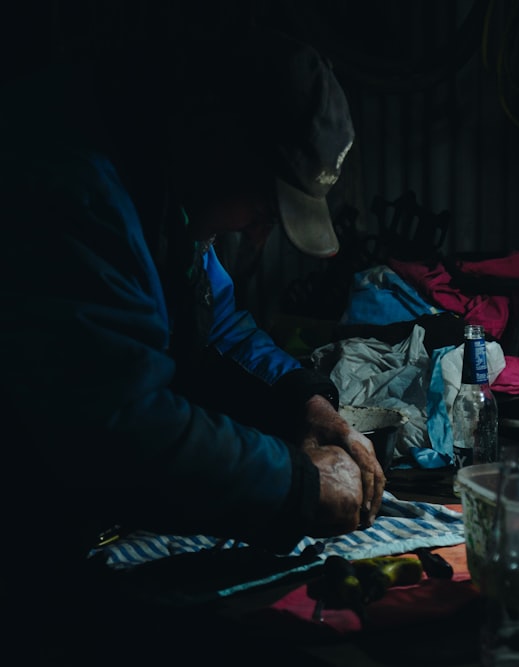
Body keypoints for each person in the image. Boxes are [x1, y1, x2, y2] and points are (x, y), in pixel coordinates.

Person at [0, 26, 384, 661]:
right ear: (218, 139)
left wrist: (308, 405)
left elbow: (217, 325)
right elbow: (122, 429)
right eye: (263, 203)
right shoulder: (68, 189)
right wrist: (299, 485)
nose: (260, 234)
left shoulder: (166, 182)